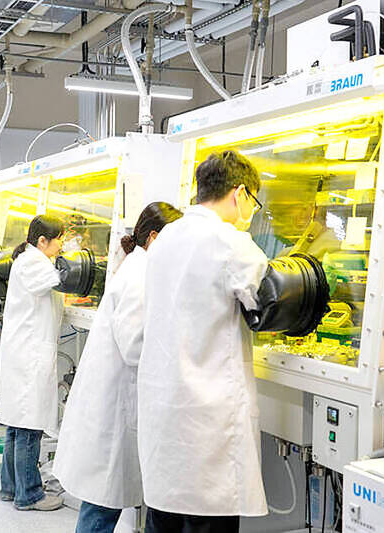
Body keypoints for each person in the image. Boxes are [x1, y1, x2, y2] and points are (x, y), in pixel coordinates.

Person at [138, 151, 269, 532]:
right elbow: (266, 299)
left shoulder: (166, 237)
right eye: (253, 202)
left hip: (165, 409)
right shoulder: (230, 241)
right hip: (207, 417)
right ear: (240, 193)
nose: (251, 211)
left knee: (164, 520)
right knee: (205, 520)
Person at [53, 202, 184, 533]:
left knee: (103, 502)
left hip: (114, 402)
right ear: (154, 237)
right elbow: (135, 345)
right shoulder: (140, 275)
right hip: (115, 407)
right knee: (102, 506)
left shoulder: (139, 267)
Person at [0, 215, 66, 512]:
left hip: (22, 350)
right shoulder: (35, 263)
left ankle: (10, 487)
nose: (62, 246)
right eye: (60, 239)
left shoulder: (28, 260)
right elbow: (64, 277)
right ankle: (30, 495)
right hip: (29, 354)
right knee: (29, 427)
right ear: (42, 241)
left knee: (16, 425)